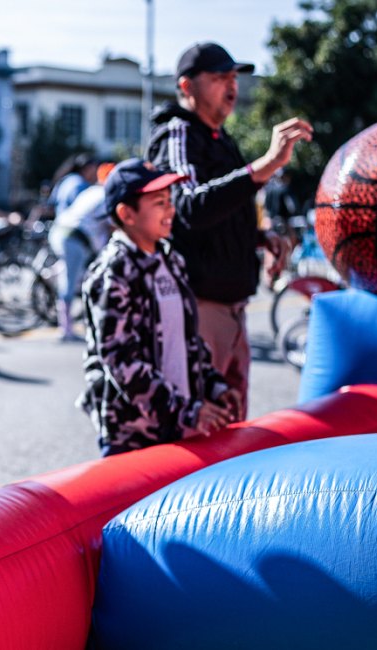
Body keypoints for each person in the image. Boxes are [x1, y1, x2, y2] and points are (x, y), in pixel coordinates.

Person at [146, 41, 313, 418]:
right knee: (203, 427)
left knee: (232, 424)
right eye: (220, 77)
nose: (232, 85)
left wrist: (259, 238)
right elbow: (187, 208)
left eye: (234, 77)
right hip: (200, 307)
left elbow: (215, 213)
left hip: (232, 304)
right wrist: (264, 166)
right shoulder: (179, 132)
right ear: (187, 87)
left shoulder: (221, 139)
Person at [77, 158, 242, 457]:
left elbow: (189, 340)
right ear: (126, 213)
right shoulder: (114, 272)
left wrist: (215, 385)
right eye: (159, 203)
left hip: (177, 426)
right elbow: (120, 360)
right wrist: (185, 410)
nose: (170, 210)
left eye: (169, 200)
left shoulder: (171, 260)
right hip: (132, 434)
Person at [47, 161, 116, 341]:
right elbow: (111, 226)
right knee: (70, 283)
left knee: (75, 273)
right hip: (74, 238)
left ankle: (53, 273)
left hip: (60, 231)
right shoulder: (106, 196)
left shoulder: (91, 191)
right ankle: (66, 328)